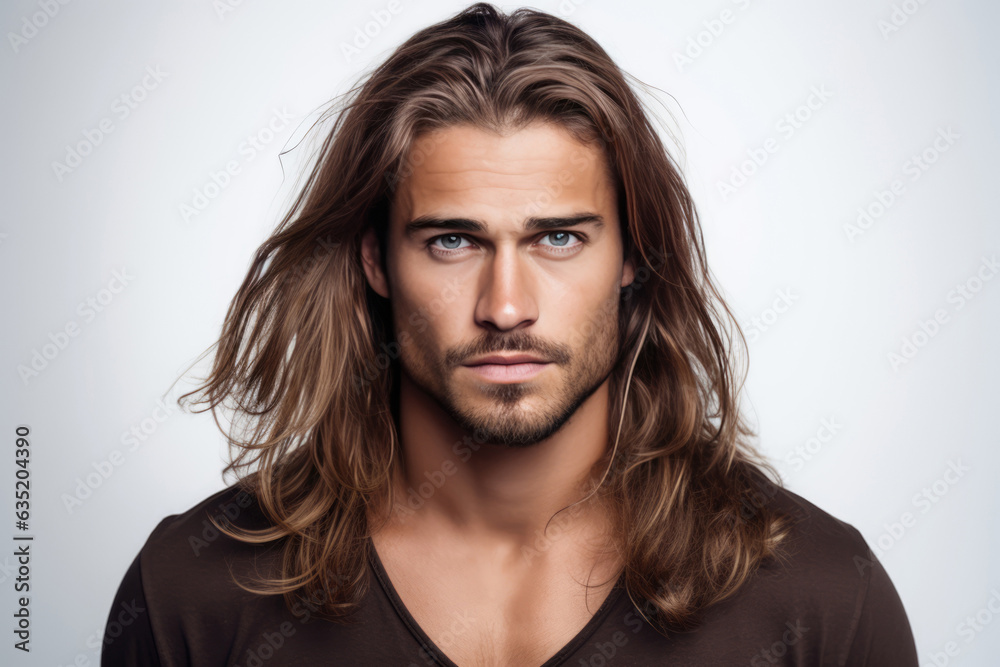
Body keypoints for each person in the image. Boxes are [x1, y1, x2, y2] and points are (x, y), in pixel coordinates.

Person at [101, 3, 919, 665]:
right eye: (452, 240)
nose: (505, 306)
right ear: (376, 262)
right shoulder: (196, 594)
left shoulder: (818, 598)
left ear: (633, 254)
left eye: (557, 238)